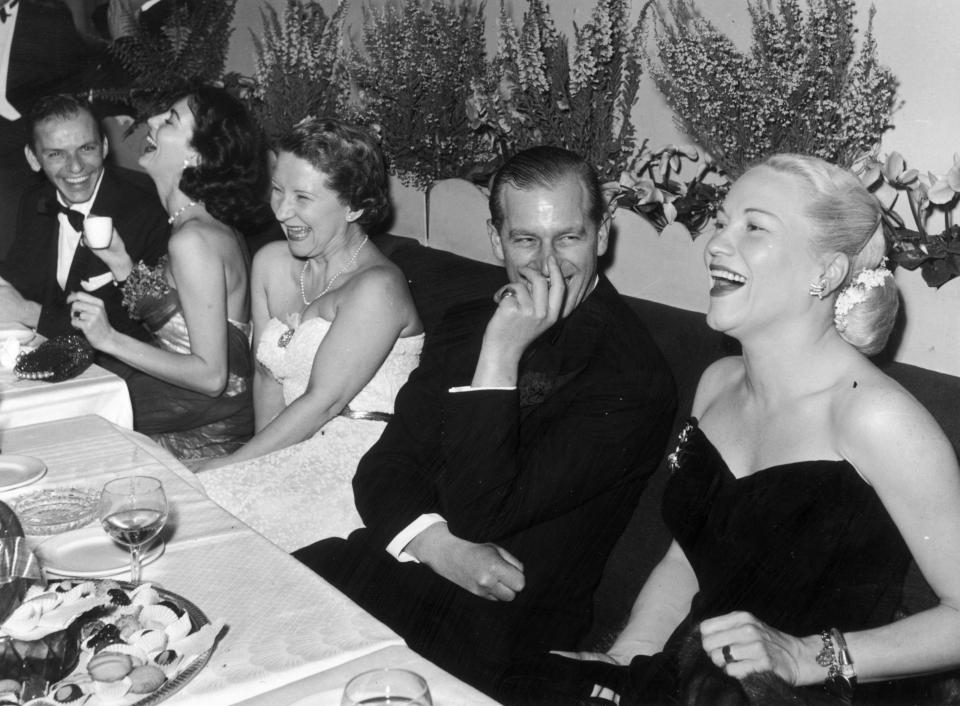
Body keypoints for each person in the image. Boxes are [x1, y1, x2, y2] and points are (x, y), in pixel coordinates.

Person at [500, 154, 960, 706]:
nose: (716, 244)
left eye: (755, 227)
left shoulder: (877, 419)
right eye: (722, 222)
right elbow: (685, 559)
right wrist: (627, 660)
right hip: (697, 682)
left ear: (828, 273)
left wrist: (802, 656)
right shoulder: (718, 383)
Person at [294, 146, 678, 698]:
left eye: (568, 237)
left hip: (496, 636)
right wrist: (432, 543)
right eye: (526, 239)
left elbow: (483, 511)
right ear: (497, 240)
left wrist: (499, 354)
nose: (549, 263)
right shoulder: (468, 321)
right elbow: (384, 466)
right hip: (388, 566)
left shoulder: (631, 376)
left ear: (602, 234)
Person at [197, 117, 424, 551]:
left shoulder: (377, 286)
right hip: (294, 449)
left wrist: (233, 468)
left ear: (355, 205)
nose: (281, 211)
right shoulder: (271, 262)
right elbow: (267, 377)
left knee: (205, 508)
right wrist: (254, 464)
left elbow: (325, 402)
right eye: (278, 190)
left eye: (302, 197)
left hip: (358, 467)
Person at [68, 84, 266, 461]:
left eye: (170, 120)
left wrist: (108, 338)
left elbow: (211, 377)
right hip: (188, 413)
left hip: (199, 437)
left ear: (197, 154)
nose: (153, 121)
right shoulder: (200, 225)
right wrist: (122, 263)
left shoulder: (193, 240)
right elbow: (181, 327)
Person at [0, 94, 167, 348]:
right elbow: (20, 281)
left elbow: (138, 329)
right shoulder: (37, 200)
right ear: (34, 159)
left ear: (105, 146)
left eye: (86, 148)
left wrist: (28, 312)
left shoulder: (144, 209)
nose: (76, 167)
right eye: (56, 154)